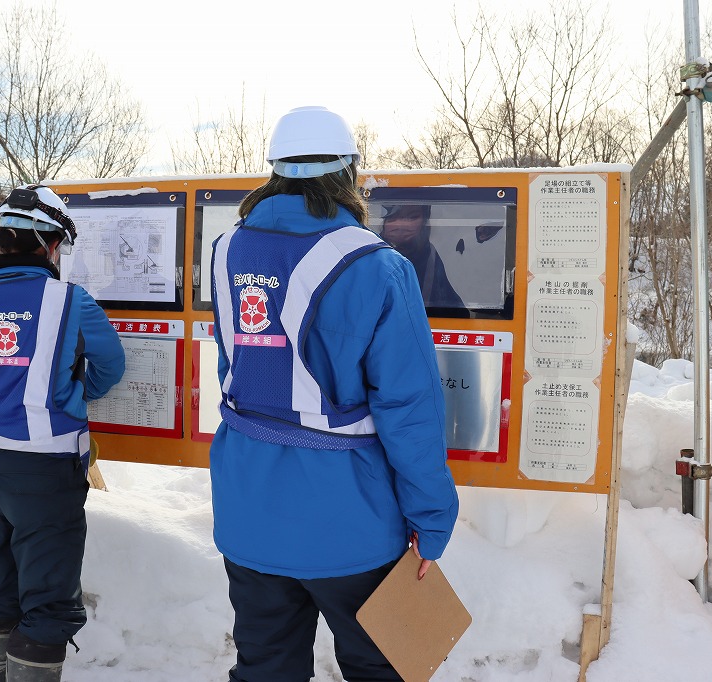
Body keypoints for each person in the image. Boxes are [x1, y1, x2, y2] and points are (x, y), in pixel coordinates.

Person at [209, 106, 459, 682]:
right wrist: (430, 517)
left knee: (265, 667)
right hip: (350, 523)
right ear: (348, 173)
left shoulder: (226, 252)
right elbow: (409, 407)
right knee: (381, 666)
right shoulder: (376, 266)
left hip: (249, 510)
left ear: (274, 170)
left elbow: (237, 364)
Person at [0, 184, 125, 682]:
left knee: (0, 589)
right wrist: (71, 394)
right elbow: (110, 365)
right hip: (45, 471)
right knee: (48, 604)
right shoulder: (70, 303)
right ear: (51, 245)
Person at [379, 203, 465, 309]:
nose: (401, 225)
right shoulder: (369, 256)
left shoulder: (433, 260)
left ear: (425, 222)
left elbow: (455, 311)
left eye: (412, 217)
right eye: (392, 218)